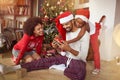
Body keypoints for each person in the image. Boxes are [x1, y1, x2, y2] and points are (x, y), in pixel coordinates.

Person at [0, 11, 90, 80]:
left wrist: (69, 49)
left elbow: (83, 56)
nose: (65, 27)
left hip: (78, 61)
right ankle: (10, 68)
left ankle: (63, 67)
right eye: (63, 25)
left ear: (73, 20)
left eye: (67, 24)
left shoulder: (84, 35)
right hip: (65, 58)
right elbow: (63, 51)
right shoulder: (66, 32)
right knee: (42, 61)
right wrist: (58, 48)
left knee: (80, 75)